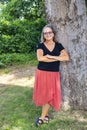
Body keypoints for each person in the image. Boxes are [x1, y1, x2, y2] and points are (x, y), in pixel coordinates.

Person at [33, 24, 69, 127]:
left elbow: (66, 57)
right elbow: (40, 58)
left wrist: (50, 56)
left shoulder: (58, 45)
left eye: (49, 32)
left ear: (53, 34)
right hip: (42, 73)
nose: (48, 34)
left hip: (53, 74)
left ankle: (42, 117)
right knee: (44, 94)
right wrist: (58, 57)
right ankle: (45, 116)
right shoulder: (40, 45)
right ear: (43, 35)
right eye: (45, 33)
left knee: (50, 95)